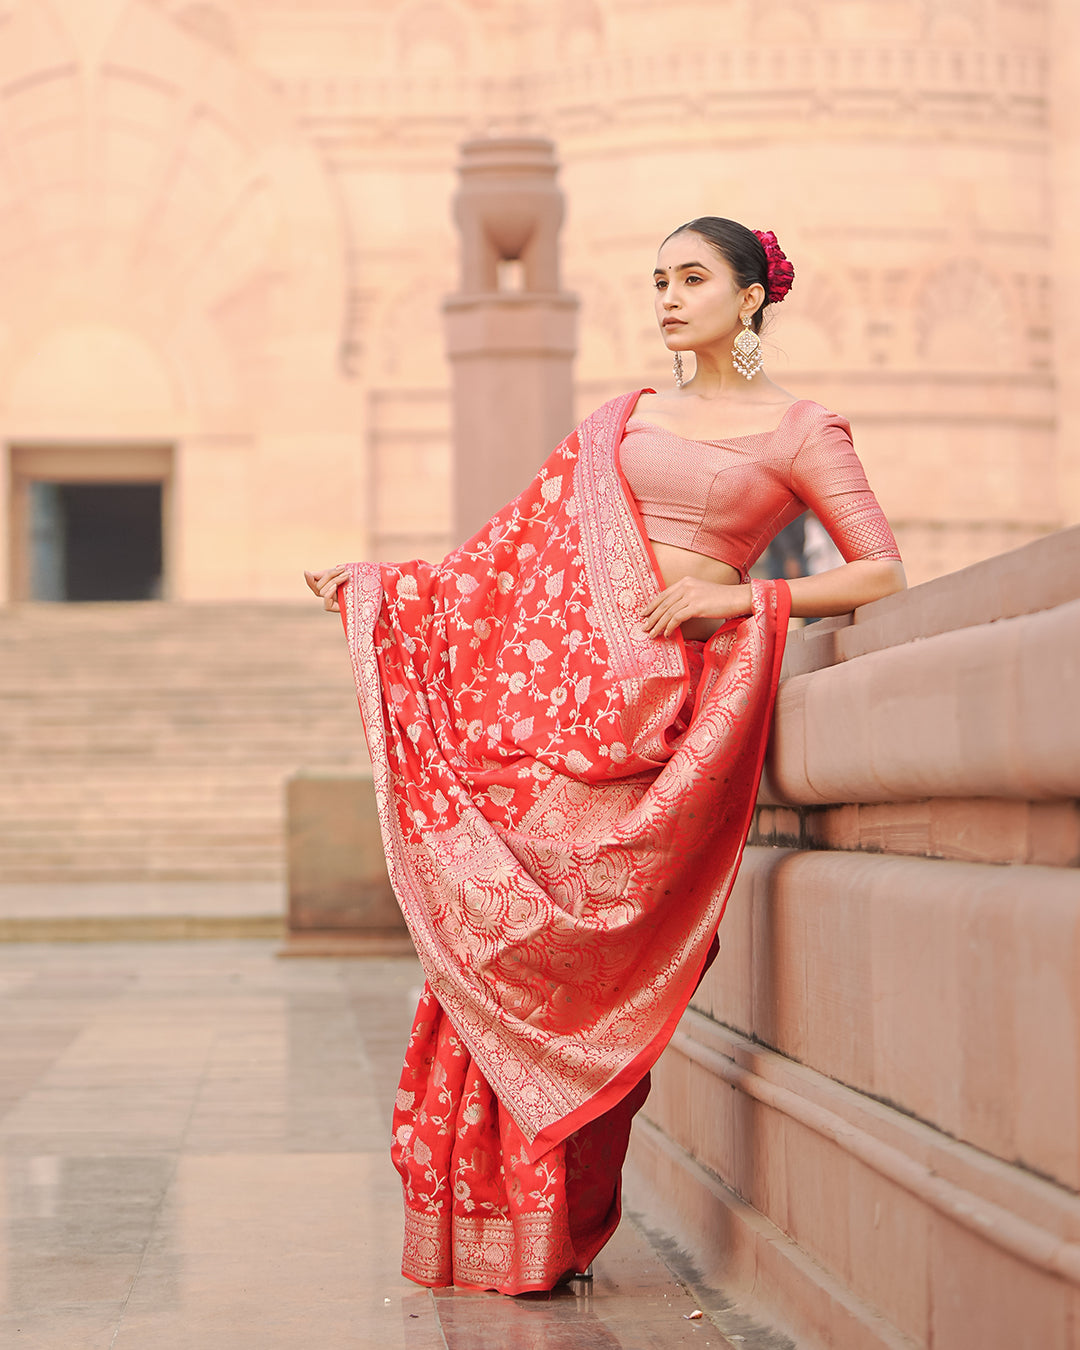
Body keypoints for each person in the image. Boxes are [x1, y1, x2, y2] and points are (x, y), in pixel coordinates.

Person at [305, 216, 906, 1296]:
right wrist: (389, 588)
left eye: (691, 279)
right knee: (501, 972)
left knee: (595, 986)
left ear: (752, 297)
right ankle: (501, 1241)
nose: (668, 299)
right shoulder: (619, 420)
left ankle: (562, 1231)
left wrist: (740, 596)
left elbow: (879, 574)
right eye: (658, 280)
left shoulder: (804, 430)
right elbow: (507, 560)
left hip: (656, 735)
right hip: (547, 724)